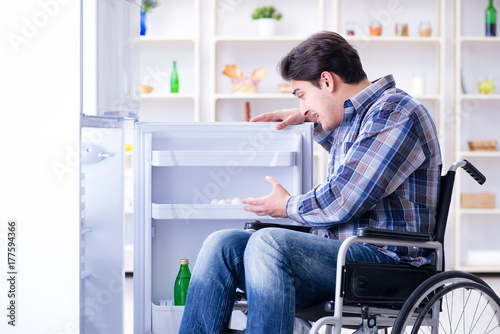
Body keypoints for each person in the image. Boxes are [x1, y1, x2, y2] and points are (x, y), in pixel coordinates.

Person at [178, 31, 442, 334]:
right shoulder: (358, 119)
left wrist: (286, 206)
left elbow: (343, 198)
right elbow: (351, 145)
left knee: (270, 243)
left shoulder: (397, 113)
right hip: (345, 258)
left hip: (388, 263)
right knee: (221, 244)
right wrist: (308, 114)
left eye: (301, 94)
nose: (302, 107)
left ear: (327, 81)